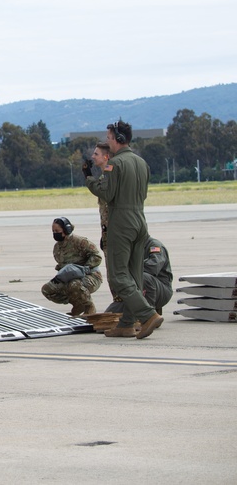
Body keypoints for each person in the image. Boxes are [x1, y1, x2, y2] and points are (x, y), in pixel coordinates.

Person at [86, 119, 162, 339]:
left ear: (118, 139)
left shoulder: (114, 164)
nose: (107, 142)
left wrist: (90, 181)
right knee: (134, 275)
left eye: (109, 138)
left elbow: (107, 194)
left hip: (122, 221)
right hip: (140, 220)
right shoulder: (141, 162)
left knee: (119, 276)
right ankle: (127, 323)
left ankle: (147, 315)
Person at [40, 217, 104, 316]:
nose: (55, 233)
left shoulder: (81, 242)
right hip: (69, 278)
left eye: (57, 231)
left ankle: (89, 306)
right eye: (53, 231)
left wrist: (85, 268)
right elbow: (61, 265)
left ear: (66, 230)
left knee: (74, 285)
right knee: (47, 289)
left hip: (91, 276)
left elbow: (96, 256)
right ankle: (77, 304)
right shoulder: (57, 248)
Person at [105, 235, 173, 315]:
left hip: (161, 289)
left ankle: (149, 316)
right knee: (108, 315)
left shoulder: (154, 246)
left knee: (143, 277)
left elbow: (153, 267)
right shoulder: (131, 247)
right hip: (136, 288)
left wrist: (130, 272)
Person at [82, 141, 111, 251]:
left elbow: (99, 190)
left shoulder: (109, 177)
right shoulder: (104, 176)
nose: (93, 157)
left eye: (96, 154)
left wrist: (88, 176)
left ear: (106, 157)